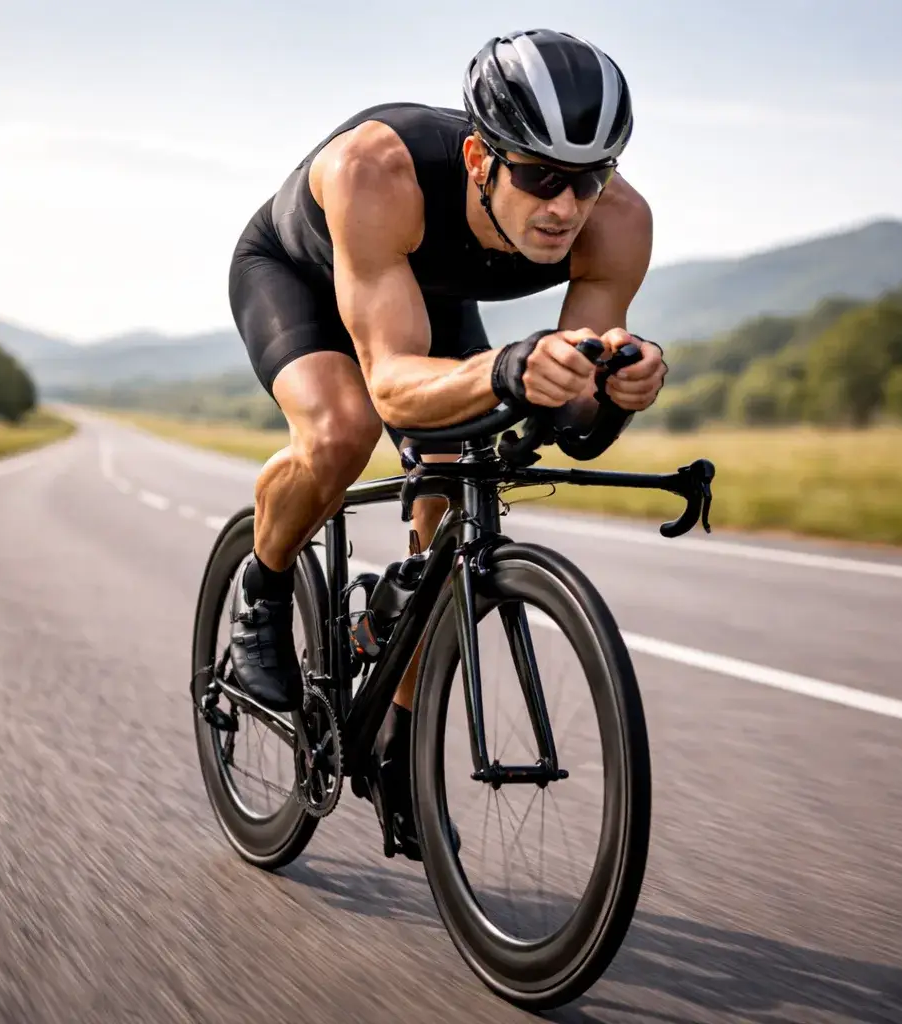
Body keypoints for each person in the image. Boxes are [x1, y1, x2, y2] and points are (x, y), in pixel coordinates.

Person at [225, 28, 668, 857]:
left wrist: (613, 391)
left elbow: (568, 427)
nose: (566, 207)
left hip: (422, 290)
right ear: (478, 158)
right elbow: (392, 381)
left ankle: (397, 738)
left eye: (590, 178)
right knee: (344, 431)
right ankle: (263, 585)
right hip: (301, 271)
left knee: (456, 481)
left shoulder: (619, 223)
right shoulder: (377, 170)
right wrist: (508, 368)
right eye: (540, 177)